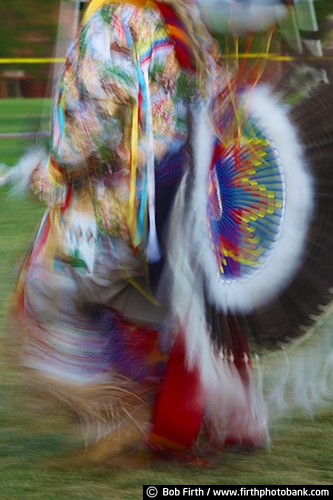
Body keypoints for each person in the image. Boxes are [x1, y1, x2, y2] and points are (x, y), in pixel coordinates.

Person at [6, 0, 302, 465]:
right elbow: (216, 102)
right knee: (156, 306)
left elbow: (92, 130)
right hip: (185, 217)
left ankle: (118, 414)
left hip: (125, 211)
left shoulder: (112, 20)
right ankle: (183, 413)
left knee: (45, 289)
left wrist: (50, 171)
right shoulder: (185, 21)